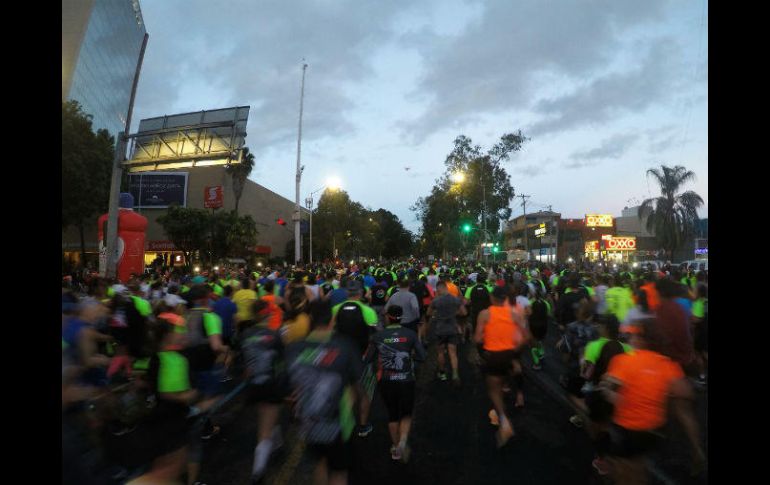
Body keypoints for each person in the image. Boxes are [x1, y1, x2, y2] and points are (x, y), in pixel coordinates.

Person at [598, 318, 705, 483]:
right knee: (638, 463)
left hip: (628, 428)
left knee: (621, 466)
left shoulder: (624, 361)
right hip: (655, 430)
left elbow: (607, 388)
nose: (631, 337)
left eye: (633, 334)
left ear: (642, 339)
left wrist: (612, 393)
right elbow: (686, 393)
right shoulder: (667, 365)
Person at [287, 300, 370, 485]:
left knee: (320, 463)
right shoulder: (345, 346)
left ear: (309, 319)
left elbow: (288, 388)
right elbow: (360, 384)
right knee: (339, 472)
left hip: (309, 423)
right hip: (338, 423)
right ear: (332, 320)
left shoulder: (294, 348)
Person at [237, 300, 288, 483]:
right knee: (264, 429)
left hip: (254, 384)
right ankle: (258, 471)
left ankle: (278, 445)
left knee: (268, 416)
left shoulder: (245, 334)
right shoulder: (274, 335)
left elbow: (243, 362)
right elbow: (283, 363)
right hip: (271, 384)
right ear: (267, 315)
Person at [369, 305, 426, 462]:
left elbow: (368, 358)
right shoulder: (410, 334)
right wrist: (410, 359)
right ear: (401, 317)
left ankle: (395, 448)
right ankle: (402, 441)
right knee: (406, 413)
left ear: (388, 317)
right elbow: (422, 356)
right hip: (406, 379)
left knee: (393, 414)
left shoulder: (379, 336)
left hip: (386, 381)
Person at [474, 286, 527, 447]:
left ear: (491, 298)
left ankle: (504, 422)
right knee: (503, 383)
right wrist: (514, 351)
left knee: (493, 390)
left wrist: (485, 343)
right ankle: (498, 413)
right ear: (504, 299)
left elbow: (477, 339)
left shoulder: (485, 314)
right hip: (508, 355)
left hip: (493, 356)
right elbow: (526, 336)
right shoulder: (514, 314)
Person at [426, 281, 467, 386]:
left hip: (440, 329)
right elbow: (464, 312)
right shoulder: (455, 299)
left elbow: (428, 313)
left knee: (440, 352)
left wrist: (437, 314)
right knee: (453, 353)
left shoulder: (436, 301)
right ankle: (455, 374)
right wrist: (453, 313)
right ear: (446, 288)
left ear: (439, 289)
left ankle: (442, 374)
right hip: (453, 328)